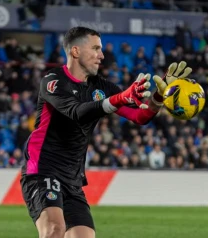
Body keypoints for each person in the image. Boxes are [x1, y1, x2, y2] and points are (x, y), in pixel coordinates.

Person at [20, 26, 192, 238]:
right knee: (55, 230)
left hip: (73, 178)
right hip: (43, 169)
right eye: (96, 49)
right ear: (75, 51)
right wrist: (120, 98)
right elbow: (77, 112)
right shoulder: (53, 81)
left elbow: (140, 117)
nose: (102, 55)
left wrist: (160, 96)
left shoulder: (102, 87)